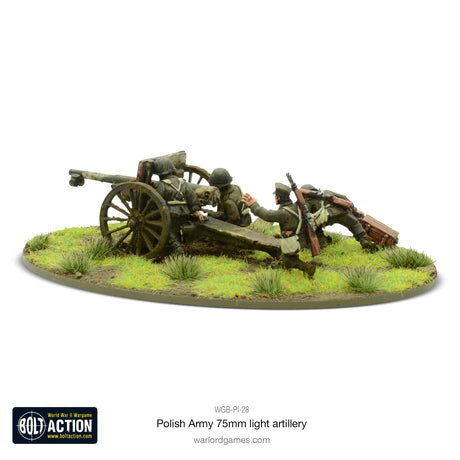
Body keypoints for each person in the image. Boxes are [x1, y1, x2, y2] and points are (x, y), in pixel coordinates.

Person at [242, 183, 316, 278]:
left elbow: (267, 215)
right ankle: (284, 263)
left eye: (276, 196)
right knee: (284, 255)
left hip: (295, 241)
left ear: (279, 197)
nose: (275, 198)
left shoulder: (284, 213)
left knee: (289, 259)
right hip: (298, 238)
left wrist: (253, 205)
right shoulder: (293, 207)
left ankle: (308, 268)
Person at [299, 184, 378, 252]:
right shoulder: (326, 192)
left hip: (324, 218)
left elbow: (304, 216)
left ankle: (322, 242)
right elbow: (343, 197)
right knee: (354, 224)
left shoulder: (307, 201)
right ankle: (364, 240)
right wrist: (355, 210)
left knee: (315, 227)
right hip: (341, 213)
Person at [151, 157, 204, 254]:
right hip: (184, 213)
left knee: (164, 228)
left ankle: (177, 247)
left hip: (170, 214)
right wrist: (196, 211)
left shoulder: (161, 185)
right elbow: (192, 197)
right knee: (175, 228)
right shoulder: (183, 183)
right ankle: (179, 244)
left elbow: (155, 202)